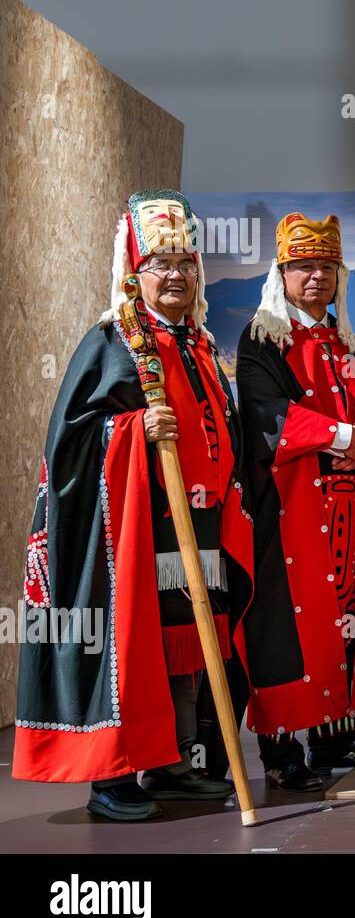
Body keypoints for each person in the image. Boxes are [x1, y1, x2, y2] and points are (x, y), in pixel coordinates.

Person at [14, 190, 253, 821]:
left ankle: (173, 762)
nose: (174, 274)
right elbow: (69, 443)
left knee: (187, 651)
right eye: (159, 263)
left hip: (198, 526)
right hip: (133, 534)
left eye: (184, 262)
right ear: (134, 272)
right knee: (135, 649)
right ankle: (113, 777)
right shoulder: (113, 340)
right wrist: (130, 432)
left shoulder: (199, 344)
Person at [234, 212, 355, 792]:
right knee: (287, 617)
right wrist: (345, 439)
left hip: (348, 505)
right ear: (282, 272)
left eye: (325, 266)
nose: (315, 276)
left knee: (343, 613)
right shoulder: (261, 338)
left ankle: (334, 739)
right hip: (289, 505)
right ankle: (281, 747)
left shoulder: (346, 343)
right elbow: (268, 415)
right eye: (302, 266)